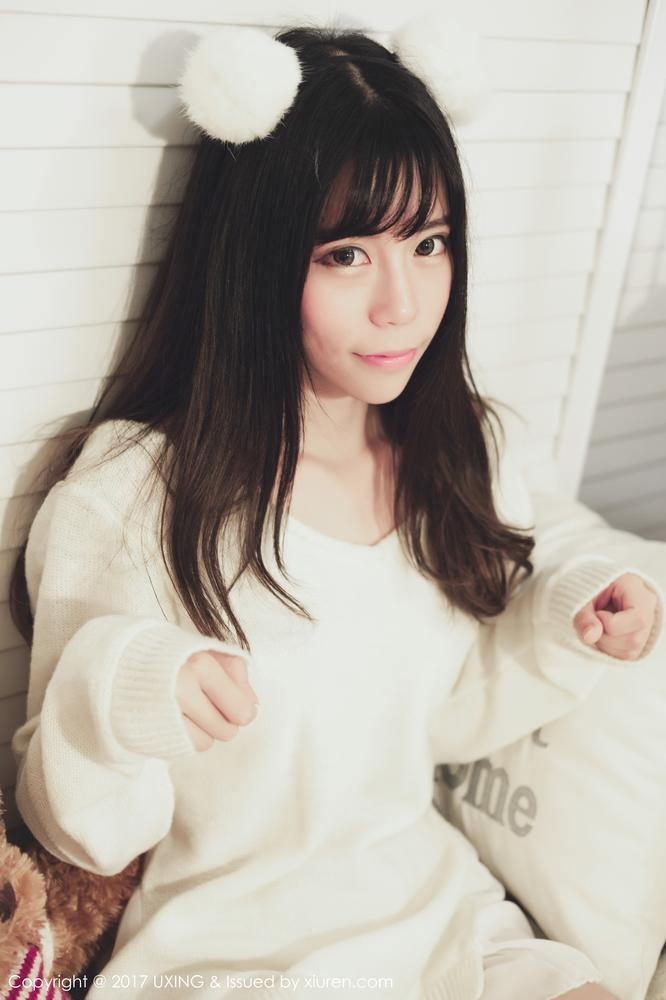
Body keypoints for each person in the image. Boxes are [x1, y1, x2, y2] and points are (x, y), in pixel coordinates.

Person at [8, 16, 663, 1000]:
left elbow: (445, 722)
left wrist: (570, 619)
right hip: (230, 950)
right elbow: (73, 832)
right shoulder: (137, 492)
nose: (403, 302)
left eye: (429, 243)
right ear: (255, 259)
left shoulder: (456, 455)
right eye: (348, 254)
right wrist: (126, 686)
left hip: (439, 910)